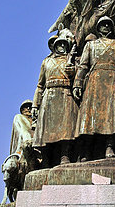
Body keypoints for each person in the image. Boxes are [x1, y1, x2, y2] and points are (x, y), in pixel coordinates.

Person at [73, 16, 115, 160]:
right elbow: (83, 66)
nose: (106, 26)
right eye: (103, 24)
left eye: (108, 24)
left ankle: (109, 146)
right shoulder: (90, 46)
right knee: (91, 116)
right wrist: (77, 83)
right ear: (98, 28)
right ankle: (86, 150)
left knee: (111, 115)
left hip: (113, 81)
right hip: (95, 81)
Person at [32, 34, 78, 166]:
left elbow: (78, 78)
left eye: (64, 44)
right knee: (46, 131)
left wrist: (72, 71)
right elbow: (40, 85)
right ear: (55, 47)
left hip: (65, 94)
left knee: (66, 129)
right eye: (59, 44)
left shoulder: (72, 61)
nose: (62, 46)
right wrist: (35, 105)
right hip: (49, 96)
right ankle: (46, 159)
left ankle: (65, 155)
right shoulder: (46, 62)